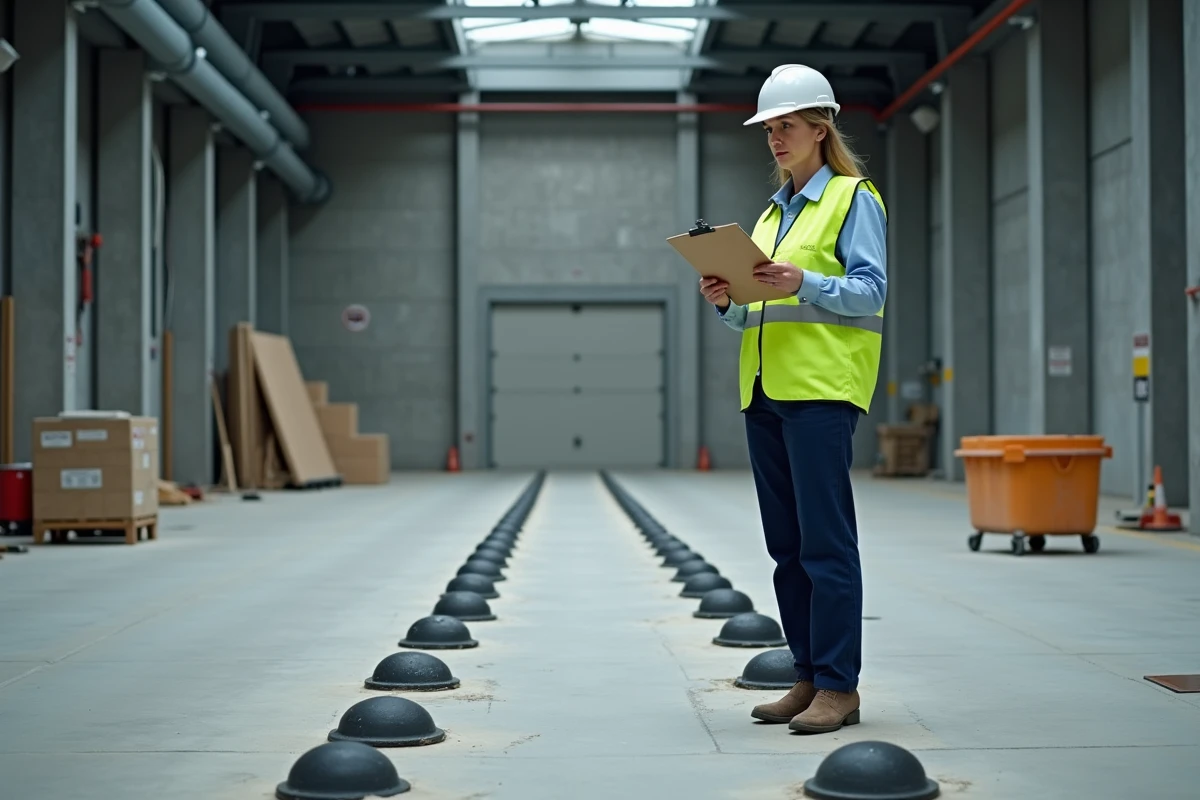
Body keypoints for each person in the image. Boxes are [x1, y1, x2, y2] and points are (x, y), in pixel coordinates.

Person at [698, 64, 887, 735]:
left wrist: (803, 279)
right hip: (765, 391)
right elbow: (761, 310)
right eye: (769, 129)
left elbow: (870, 291)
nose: (776, 138)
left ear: (820, 127)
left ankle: (841, 685)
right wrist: (728, 303)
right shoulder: (772, 213)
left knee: (826, 546)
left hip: (821, 391)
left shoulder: (851, 199)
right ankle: (807, 675)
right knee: (787, 548)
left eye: (786, 126)